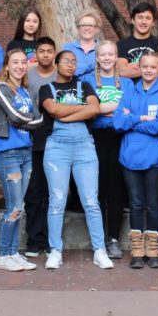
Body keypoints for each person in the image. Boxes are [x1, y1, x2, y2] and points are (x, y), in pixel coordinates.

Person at [38, 50, 114, 270]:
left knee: (91, 200)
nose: (71, 65)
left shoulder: (85, 86)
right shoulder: (47, 89)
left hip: (84, 147)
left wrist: (64, 114)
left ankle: (99, 250)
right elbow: (52, 109)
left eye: (74, 62)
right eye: (66, 61)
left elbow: (95, 109)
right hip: (57, 148)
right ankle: (55, 251)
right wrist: (82, 110)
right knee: (57, 200)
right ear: (57, 63)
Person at [113, 51, 158, 269]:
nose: (148, 70)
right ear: (139, 68)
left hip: (156, 158)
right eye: (145, 66)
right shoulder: (130, 91)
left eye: (153, 67)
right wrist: (140, 118)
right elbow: (118, 122)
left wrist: (132, 121)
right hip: (131, 157)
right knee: (137, 204)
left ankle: (153, 250)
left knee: (154, 204)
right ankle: (137, 251)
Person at [0, 49, 44, 271]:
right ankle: (4, 255)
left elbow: (39, 118)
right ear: (6, 66)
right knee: (13, 206)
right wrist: (27, 121)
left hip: (25, 152)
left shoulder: (25, 90)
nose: (20, 66)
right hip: (8, 152)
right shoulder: (1, 89)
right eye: (15, 62)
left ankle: (13, 252)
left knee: (19, 206)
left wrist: (25, 122)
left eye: (23, 62)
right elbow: (14, 116)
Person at [83, 40, 127, 259]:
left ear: (116, 57)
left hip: (120, 138)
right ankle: (98, 240)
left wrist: (102, 109)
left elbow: (130, 111)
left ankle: (113, 239)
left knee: (116, 190)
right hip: (96, 138)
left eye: (111, 54)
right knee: (97, 189)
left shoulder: (127, 83)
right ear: (97, 58)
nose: (108, 58)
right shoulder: (88, 81)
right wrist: (111, 110)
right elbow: (89, 110)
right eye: (103, 54)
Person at [23, 37, 57, 257]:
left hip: (54, 139)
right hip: (31, 138)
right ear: (36, 53)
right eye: (41, 51)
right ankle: (35, 240)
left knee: (53, 193)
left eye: (49, 51)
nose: (45, 55)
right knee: (33, 193)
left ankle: (52, 240)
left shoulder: (59, 75)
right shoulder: (28, 74)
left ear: (55, 53)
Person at [117, 2, 158, 79]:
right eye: (140, 17)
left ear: (153, 22)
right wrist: (152, 68)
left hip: (152, 89)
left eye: (148, 18)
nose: (143, 22)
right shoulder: (121, 44)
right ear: (133, 20)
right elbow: (122, 71)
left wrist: (131, 66)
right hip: (129, 89)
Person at [63, 10, 102, 81]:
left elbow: (106, 72)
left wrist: (77, 67)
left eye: (90, 25)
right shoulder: (68, 48)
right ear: (78, 28)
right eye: (83, 25)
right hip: (73, 88)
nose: (87, 28)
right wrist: (93, 65)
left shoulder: (104, 48)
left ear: (97, 29)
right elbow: (65, 71)